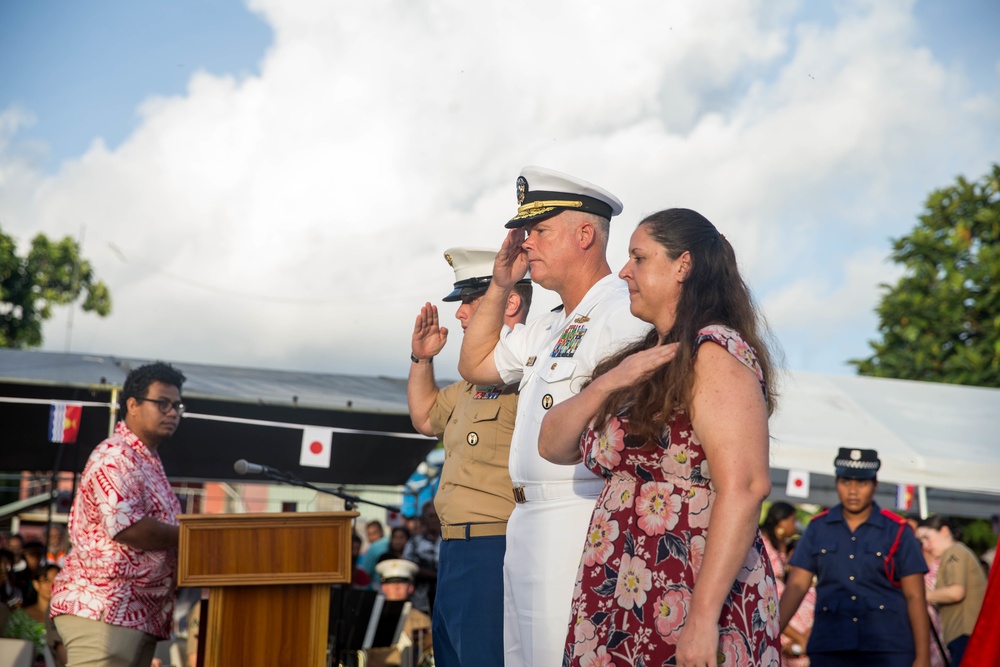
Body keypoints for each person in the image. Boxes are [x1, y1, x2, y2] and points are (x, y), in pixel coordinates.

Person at [538, 207, 781, 665]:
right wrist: (609, 381)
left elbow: (746, 487)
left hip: (689, 588)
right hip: (621, 582)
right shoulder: (642, 359)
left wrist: (703, 618)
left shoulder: (716, 352)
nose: (624, 270)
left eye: (639, 257)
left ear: (682, 265)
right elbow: (551, 444)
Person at [458, 166, 650, 666]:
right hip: (524, 520)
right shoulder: (552, 321)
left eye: (539, 231)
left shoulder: (620, 311)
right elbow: (475, 364)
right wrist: (501, 285)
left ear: (585, 234)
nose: (527, 244)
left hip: (577, 513)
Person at [407, 246, 531, 667]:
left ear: (509, 301)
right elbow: (425, 417)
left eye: (469, 302)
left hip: (495, 547)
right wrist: (422, 359)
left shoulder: (530, 373)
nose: (460, 314)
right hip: (454, 548)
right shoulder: (468, 385)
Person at [50, 361, 187, 667]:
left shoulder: (148, 460)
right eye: (162, 403)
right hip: (105, 610)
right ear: (133, 405)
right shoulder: (116, 456)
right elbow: (128, 526)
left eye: (177, 405)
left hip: (138, 615)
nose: (172, 412)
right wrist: (189, 536)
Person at [779, 448, 930, 667]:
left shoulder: (897, 531)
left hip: (887, 649)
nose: (852, 490)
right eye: (845, 482)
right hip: (831, 647)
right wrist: (769, 636)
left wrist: (923, 656)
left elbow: (915, 596)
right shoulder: (817, 528)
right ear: (836, 482)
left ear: (875, 485)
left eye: (861, 483)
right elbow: (797, 586)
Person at [916, 516, 987, 665]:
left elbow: (956, 592)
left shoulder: (954, 551)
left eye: (927, 538)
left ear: (944, 531)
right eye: (921, 541)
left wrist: (922, 595)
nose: (925, 545)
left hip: (965, 633)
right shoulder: (953, 553)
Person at [368, 559, 433, 667]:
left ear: (410, 588)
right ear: (384, 588)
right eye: (391, 583)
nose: (396, 588)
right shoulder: (373, 617)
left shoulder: (422, 619)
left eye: (402, 583)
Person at [401, 502, 441, 615]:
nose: (433, 519)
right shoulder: (414, 543)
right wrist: (436, 575)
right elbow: (410, 567)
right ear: (423, 519)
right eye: (429, 516)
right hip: (421, 602)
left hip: (447, 598)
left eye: (436, 515)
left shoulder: (450, 541)